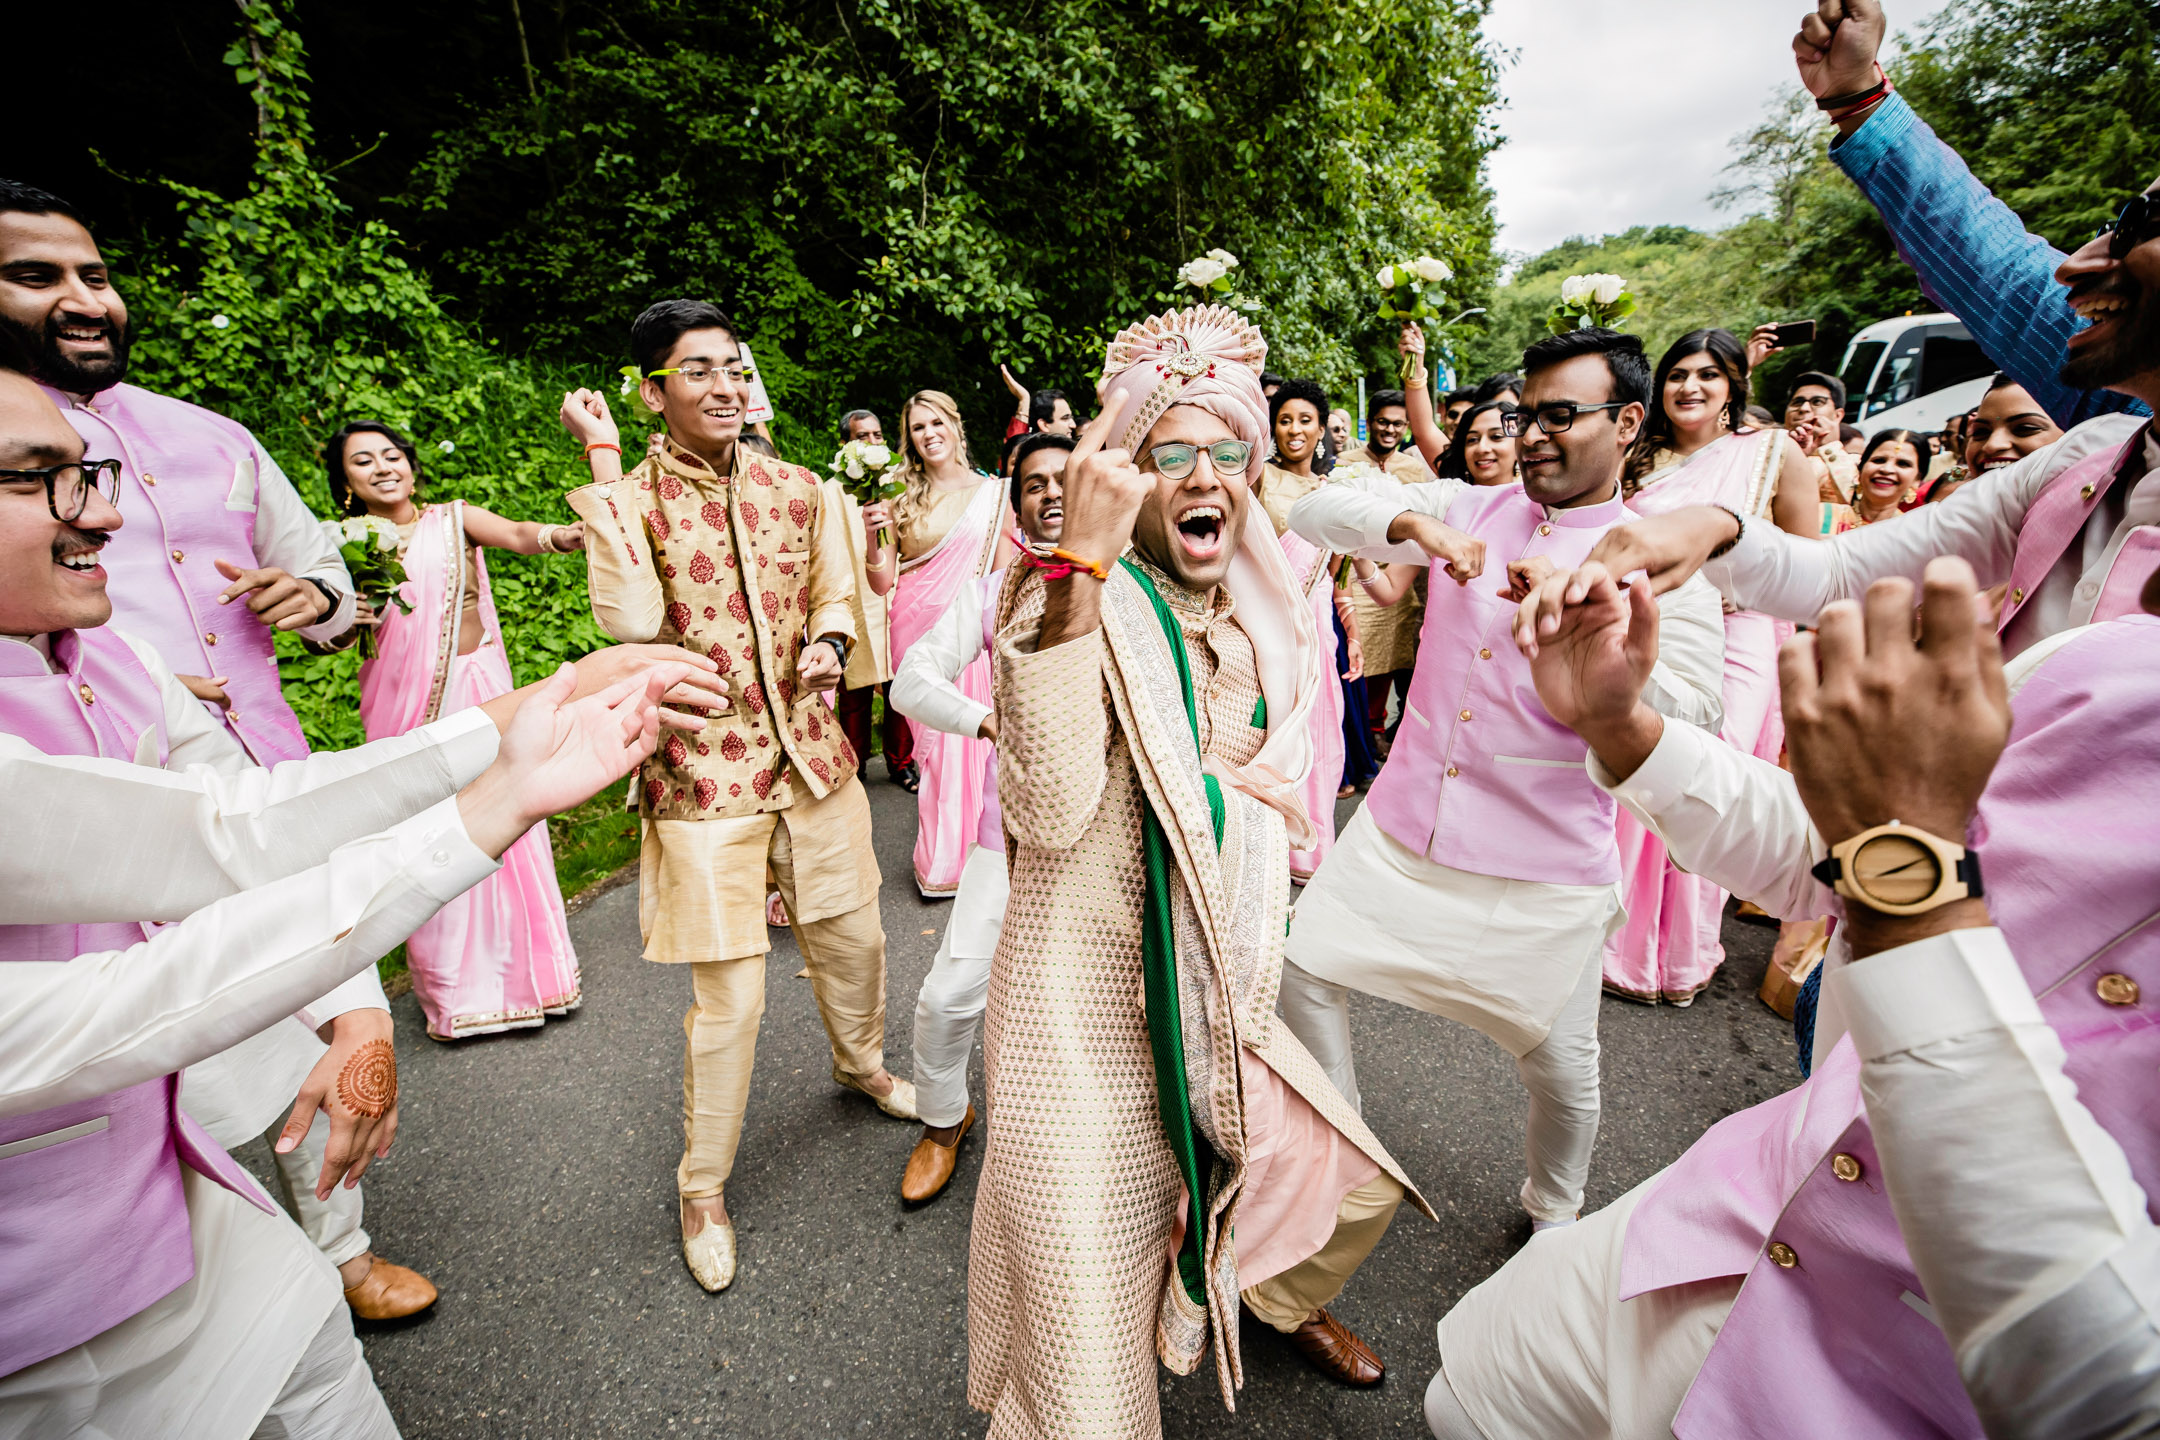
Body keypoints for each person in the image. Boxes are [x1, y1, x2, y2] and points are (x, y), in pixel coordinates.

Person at [0, 364, 710, 1437]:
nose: (101, 510)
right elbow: (120, 1005)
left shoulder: (111, 653)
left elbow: (235, 823)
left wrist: (509, 725)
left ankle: (340, 1252)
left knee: (330, 1389)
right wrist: (482, 810)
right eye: (36, 478)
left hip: (176, 1224)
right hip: (33, 1335)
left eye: (87, 471)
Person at [1428, 552, 2160, 1440]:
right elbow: (1836, 854)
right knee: (1463, 1402)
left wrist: (1909, 888)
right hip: (1708, 1230)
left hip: (1896, 1401)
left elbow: (2114, 1393)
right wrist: (1621, 726)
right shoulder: (2107, 664)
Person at [970, 306, 1432, 1434]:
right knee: (1084, 1360)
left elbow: (1284, 802)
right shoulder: (1071, 593)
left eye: (1226, 451)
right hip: (1075, 1027)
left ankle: (1249, 1299)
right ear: (1126, 477)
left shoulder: (1267, 617)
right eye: (1168, 454)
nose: (1203, 475)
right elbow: (1046, 804)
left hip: (1218, 991)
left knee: (1351, 1182)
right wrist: (1077, 561)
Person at [1280, 328, 1726, 1235]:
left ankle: (1553, 1214)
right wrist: (1413, 524)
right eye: (1527, 415)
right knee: (1297, 973)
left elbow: (1700, 713)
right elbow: (1311, 512)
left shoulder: (1658, 561)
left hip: (1545, 866)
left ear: (1628, 423)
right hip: (1403, 834)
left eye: (1562, 415)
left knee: (1561, 1071)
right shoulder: (1467, 506)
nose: (1531, 436)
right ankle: (1347, 1165)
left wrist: (1602, 648)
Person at [559, 298, 915, 1295]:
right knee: (733, 998)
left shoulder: (803, 488)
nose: (722, 385)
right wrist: (602, 469)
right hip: (702, 777)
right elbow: (626, 616)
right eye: (696, 370)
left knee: (857, 940)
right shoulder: (632, 497)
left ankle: (864, 1065)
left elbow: (840, 593)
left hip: (812, 757)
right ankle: (702, 1187)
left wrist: (832, 642)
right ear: (651, 390)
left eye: (732, 367)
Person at [1552, 165, 2160, 672]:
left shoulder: (1768, 450)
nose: (2073, 269)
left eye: (2137, 227)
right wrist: (1717, 527)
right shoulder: (2084, 461)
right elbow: (1836, 573)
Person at [0, 179, 355, 766]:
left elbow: (328, 581)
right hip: (106, 786)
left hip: (278, 767)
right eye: (36, 278)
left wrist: (312, 599)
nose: (89, 304)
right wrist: (131, 689)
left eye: (95, 278)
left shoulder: (218, 435)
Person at [329, 420, 591, 1044]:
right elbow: (336, 636)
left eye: (392, 454)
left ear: (412, 467)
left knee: (507, 814)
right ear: (346, 484)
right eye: (363, 461)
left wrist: (567, 535)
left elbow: (522, 535)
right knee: (430, 828)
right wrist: (348, 616)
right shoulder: (338, 547)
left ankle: (533, 980)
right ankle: (456, 993)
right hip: (401, 707)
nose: (382, 467)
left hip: (479, 695)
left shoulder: (454, 519)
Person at [1796, 0, 2147, 431]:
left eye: (2141, 228)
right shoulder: (2122, 403)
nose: (2074, 266)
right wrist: (1856, 95)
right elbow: (1989, 262)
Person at [1602, 328, 1824, 1006]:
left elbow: (1807, 565)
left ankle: (1687, 953)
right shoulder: (1638, 458)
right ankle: (1625, 947)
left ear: (1734, 385)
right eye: (1677, 374)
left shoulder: (1771, 454)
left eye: (1708, 374)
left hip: (1743, 633)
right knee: (1645, 763)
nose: (1689, 387)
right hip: (1653, 625)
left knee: (1712, 776)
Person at [889, 431, 1068, 1205]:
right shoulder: (994, 592)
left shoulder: (1142, 588)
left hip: (1119, 838)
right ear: (1017, 505)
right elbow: (910, 681)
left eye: (1066, 480)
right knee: (947, 997)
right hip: (1012, 830)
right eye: (1034, 484)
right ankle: (944, 1120)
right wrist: (985, 721)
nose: (1052, 494)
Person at [888, 388, 1009, 895]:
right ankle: (940, 856)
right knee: (935, 749)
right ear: (910, 439)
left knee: (975, 741)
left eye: (936, 422)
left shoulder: (995, 492)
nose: (929, 434)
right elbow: (881, 580)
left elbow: (1001, 569)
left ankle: (979, 852)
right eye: (918, 428)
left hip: (973, 633)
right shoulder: (897, 496)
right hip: (915, 629)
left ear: (956, 426)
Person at [1254, 377, 1349, 878]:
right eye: (1285, 419)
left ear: (1320, 430)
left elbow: (1338, 573)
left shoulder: (1336, 491)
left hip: (1315, 621)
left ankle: (1310, 845)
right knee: (1269, 725)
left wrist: (1350, 633)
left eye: (1305, 420)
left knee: (1319, 727)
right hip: (1261, 618)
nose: (1294, 429)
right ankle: (1267, 841)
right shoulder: (1257, 481)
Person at [829, 407, 899, 785]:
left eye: (877, 435)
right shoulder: (829, 492)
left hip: (897, 599)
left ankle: (901, 763)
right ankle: (852, 767)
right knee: (853, 690)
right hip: (854, 599)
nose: (872, 442)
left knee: (900, 690)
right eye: (862, 437)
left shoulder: (899, 486)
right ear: (845, 446)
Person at [1823, 427, 1928, 532]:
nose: (1887, 469)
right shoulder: (1822, 514)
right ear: (1861, 468)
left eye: (1902, 464)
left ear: (1917, 478)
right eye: (1879, 460)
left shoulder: (1912, 534)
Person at [1340, 387, 1434, 483]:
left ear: (1406, 427)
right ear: (1368, 423)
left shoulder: (1414, 468)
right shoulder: (1344, 461)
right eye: (1383, 422)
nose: (1390, 430)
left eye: (1397, 424)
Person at [997, 364, 1077, 440]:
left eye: (1071, 418)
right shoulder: (1027, 452)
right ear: (1044, 425)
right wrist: (1024, 400)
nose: (1073, 425)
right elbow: (1014, 451)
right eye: (1065, 418)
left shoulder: (1076, 449)